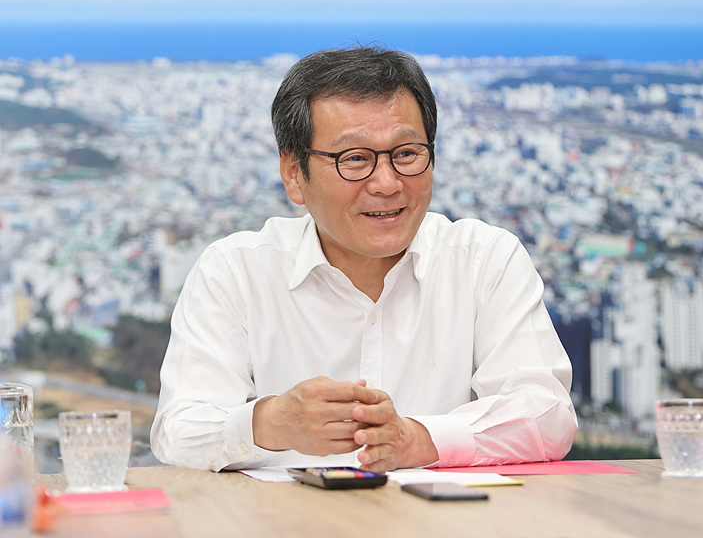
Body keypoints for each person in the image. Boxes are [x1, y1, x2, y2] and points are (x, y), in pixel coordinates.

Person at [150, 46, 578, 472]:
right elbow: (179, 431)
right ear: (294, 174)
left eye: (406, 153)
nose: (387, 183)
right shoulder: (236, 271)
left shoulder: (484, 261)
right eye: (355, 159)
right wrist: (269, 423)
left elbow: (548, 415)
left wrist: (418, 439)